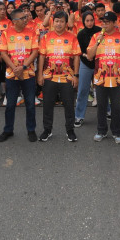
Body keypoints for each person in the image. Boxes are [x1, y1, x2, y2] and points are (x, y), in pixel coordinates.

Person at [87, 11, 120, 143]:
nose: (104, 24)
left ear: (114, 23)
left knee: (116, 106)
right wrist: (98, 42)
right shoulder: (96, 36)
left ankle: (117, 132)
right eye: (103, 22)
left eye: (107, 22)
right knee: (101, 105)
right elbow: (90, 56)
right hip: (101, 78)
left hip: (118, 78)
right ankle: (101, 131)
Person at [37, 11, 81, 142]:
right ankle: (47, 130)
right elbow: (42, 57)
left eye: (62, 21)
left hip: (67, 77)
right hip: (49, 77)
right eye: (56, 21)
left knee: (69, 105)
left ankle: (70, 130)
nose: (59, 24)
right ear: (53, 22)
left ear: (66, 23)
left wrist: (76, 75)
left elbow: (76, 57)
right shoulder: (46, 37)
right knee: (47, 105)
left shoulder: (72, 37)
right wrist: (40, 75)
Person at [0, 8, 39, 142]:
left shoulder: (32, 32)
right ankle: (8, 130)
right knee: (10, 104)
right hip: (12, 74)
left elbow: (35, 52)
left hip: (28, 74)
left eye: (26, 17)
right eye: (22, 18)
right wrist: (15, 68)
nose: (26, 19)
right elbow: (3, 53)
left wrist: (23, 67)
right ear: (14, 21)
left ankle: (31, 130)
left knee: (30, 104)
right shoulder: (6, 34)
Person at [74, 11, 101, 127]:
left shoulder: (100, 31)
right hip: (85, 63)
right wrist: (88, 56)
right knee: (82, 90)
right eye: (87, 21)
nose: (90, 23)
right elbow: (80, 51)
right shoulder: (81, 34)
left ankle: (108, 111)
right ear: (83, 22)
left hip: (99, 63)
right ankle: (79, 116)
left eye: (91, 20)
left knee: (103, 90)